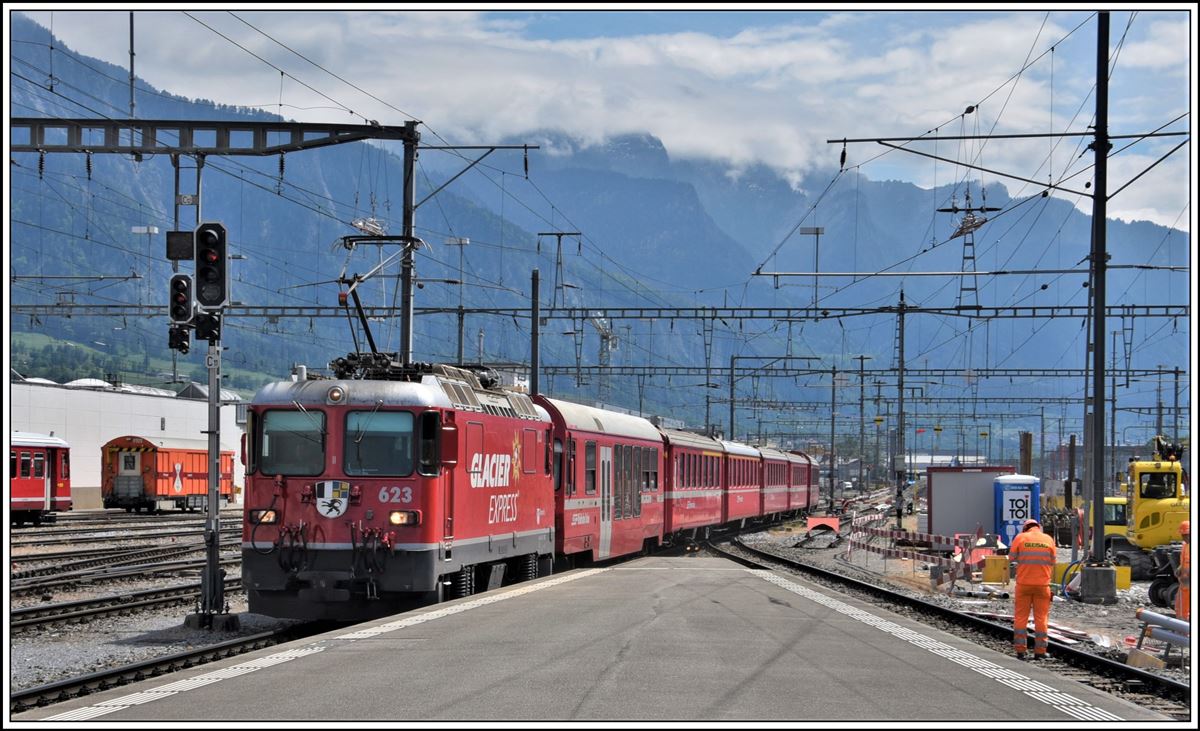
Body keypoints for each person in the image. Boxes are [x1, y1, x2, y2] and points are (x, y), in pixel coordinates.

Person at [1009, 518, 1056, 660]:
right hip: (1043, 586)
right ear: (1038, 527)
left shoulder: (1021, 537)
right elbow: (1053, 561)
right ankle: (1040, 651)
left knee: (1021, 617)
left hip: (1023, 585)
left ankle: (1020, 650)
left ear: (1025, 528)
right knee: (1041, 618)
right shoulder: (1048, 539)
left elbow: (1011, 558)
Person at [1177, 520, 1190, 622]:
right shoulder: (1185, 545)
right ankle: (1182, 625)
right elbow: (1184, 561)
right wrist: (1180, 568)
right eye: (1183, 535)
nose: (1184, 537)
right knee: (1181, 605)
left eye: (1185, 535)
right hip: (1184, 582)